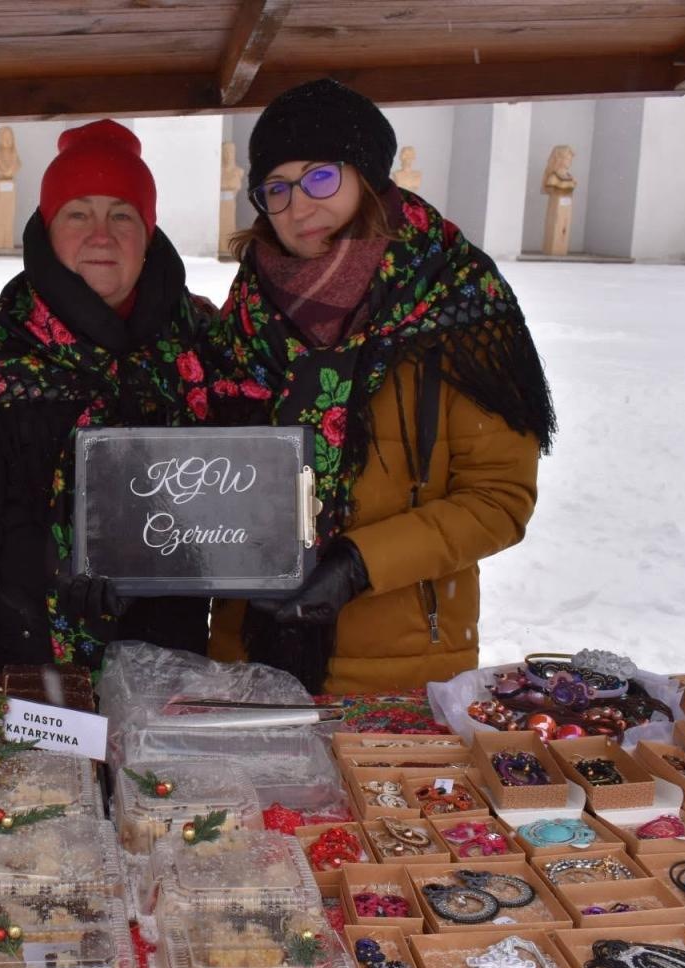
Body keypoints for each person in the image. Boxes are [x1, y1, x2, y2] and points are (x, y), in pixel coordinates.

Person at [207, 78, 556, 694]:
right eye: (277, 189)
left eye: (320, 177)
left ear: (367, 178)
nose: (298, 207)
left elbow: (499, 498)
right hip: (249, 656)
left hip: (399, 672)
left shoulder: (459, 304)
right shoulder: (243, 314)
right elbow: (204, 475)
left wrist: (356, 565)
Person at [0, 120, 214, 673]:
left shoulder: (198, 345)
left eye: (122, 215)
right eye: (78, 213)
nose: (101, 235)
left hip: (168, 653)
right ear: (49, 230)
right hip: (28, 660)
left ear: (149, 235)